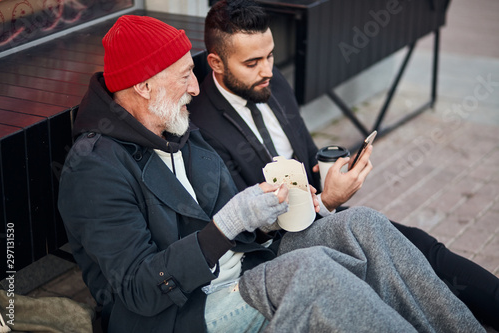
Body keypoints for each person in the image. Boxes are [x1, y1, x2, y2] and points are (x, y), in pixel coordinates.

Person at [57, 14, 485, 333]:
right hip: (182, 313)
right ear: (144, 86)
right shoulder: (95, 168)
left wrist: (272, 215)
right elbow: (138, 289)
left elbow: (240, 226)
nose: (194, 88)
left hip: (243, 271)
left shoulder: (178, 130)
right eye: (185, 76)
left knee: (363, 225)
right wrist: (228, 224)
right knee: (311, 271)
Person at [188, 0, 499, 330]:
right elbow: (246, 229)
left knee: (421, 247)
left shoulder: (270, 82)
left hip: (319, 210)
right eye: (252, 62)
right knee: (392, 266)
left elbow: (304, 151)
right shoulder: (202, 128)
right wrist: (326, 202)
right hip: (277, 247)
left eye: (270, 56)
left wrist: (330, 172)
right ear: (216, 63)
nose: (267, 69)